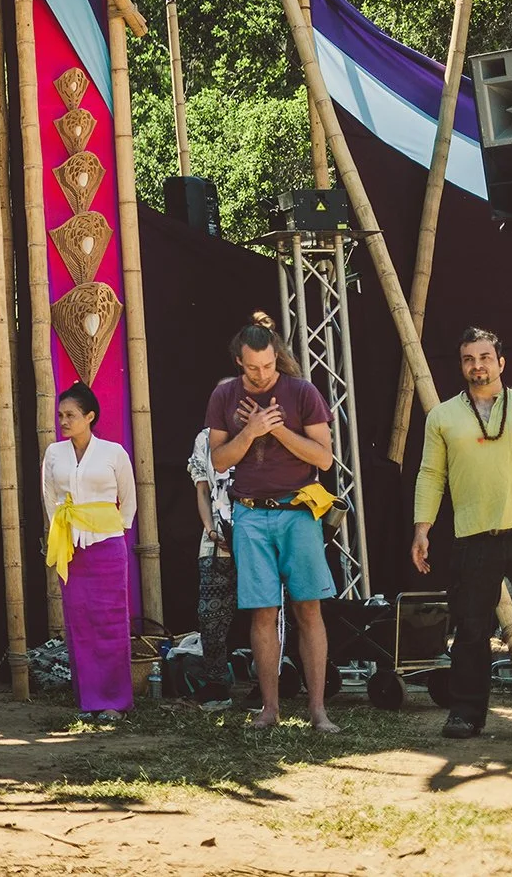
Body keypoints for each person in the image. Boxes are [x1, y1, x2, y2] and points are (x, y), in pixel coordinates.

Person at [411, 327, 512, 743]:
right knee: (469, 632)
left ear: (501, 362)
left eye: (484, 357)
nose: (477, 365)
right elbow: (431, 474)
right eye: (468, 358)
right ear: (461, 365)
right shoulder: (443, 417)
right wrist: (422, 528)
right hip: (474, 538)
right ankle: (466, 714)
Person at [206, 312, 338, 732]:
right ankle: (269, 709)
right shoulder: (224, 396)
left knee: (308, 608)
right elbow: (217, 461)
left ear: (276, 357)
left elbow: (324, 459)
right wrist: (250, 431)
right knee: (262, 612)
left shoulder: (302, 392)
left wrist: (277, 431)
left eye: (267, 365)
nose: (262, 374)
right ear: (239, 362)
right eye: (253, 368)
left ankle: (318, 710)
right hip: (249, 513)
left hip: (298, 510)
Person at [41, 383, 138, 723]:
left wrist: (113, 528)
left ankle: (115, 701)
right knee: (79, 622)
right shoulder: (54, 453)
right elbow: (49, 498)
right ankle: (89, 700)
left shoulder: (114, 453)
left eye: (71, 415)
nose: (64, 421)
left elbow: (129, 500)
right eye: (60, 415)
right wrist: (64, 532)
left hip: (107, 545)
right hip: (71, 546)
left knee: (111, 621)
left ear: (90, 416)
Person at [185, 423, 237, 708]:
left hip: (257, 534)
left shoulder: (260, 432)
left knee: (264, 612)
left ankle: (268, 684)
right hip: (216, 539)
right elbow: (203, 489)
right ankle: (217, 684)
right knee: (210, 614)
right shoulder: (205, 438)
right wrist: (212, 531)